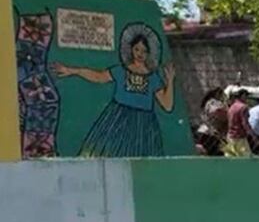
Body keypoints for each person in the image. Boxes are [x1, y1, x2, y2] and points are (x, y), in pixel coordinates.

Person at [52, 23, 175, 157]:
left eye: (144, 51)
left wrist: (170, 82)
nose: (140, 54)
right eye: (137, 49)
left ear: (148, 53)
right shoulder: (121, 70)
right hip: (118, 119)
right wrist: (73, 71)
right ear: (131, 49)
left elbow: (167, 105)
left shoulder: (152, 77)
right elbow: (99, 77)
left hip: (143, 125)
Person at [225, 89, 252, 157]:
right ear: (242, 96)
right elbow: (244, 123)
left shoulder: (232, 107)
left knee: (232, 157)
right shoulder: (243, 107)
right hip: (240, 136)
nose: (247, 98)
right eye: (246, 96)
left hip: (230, 135)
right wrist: (252, 134)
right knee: (246, 157)